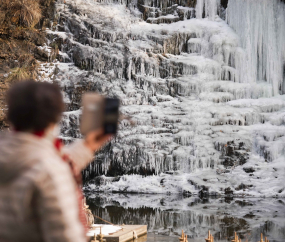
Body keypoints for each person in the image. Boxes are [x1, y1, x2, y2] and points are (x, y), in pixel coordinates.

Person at [0, 80, 112, 242]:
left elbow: (35, 160)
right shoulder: (50, 171)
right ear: (53, 119)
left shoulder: (11, 153)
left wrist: (87, 146)